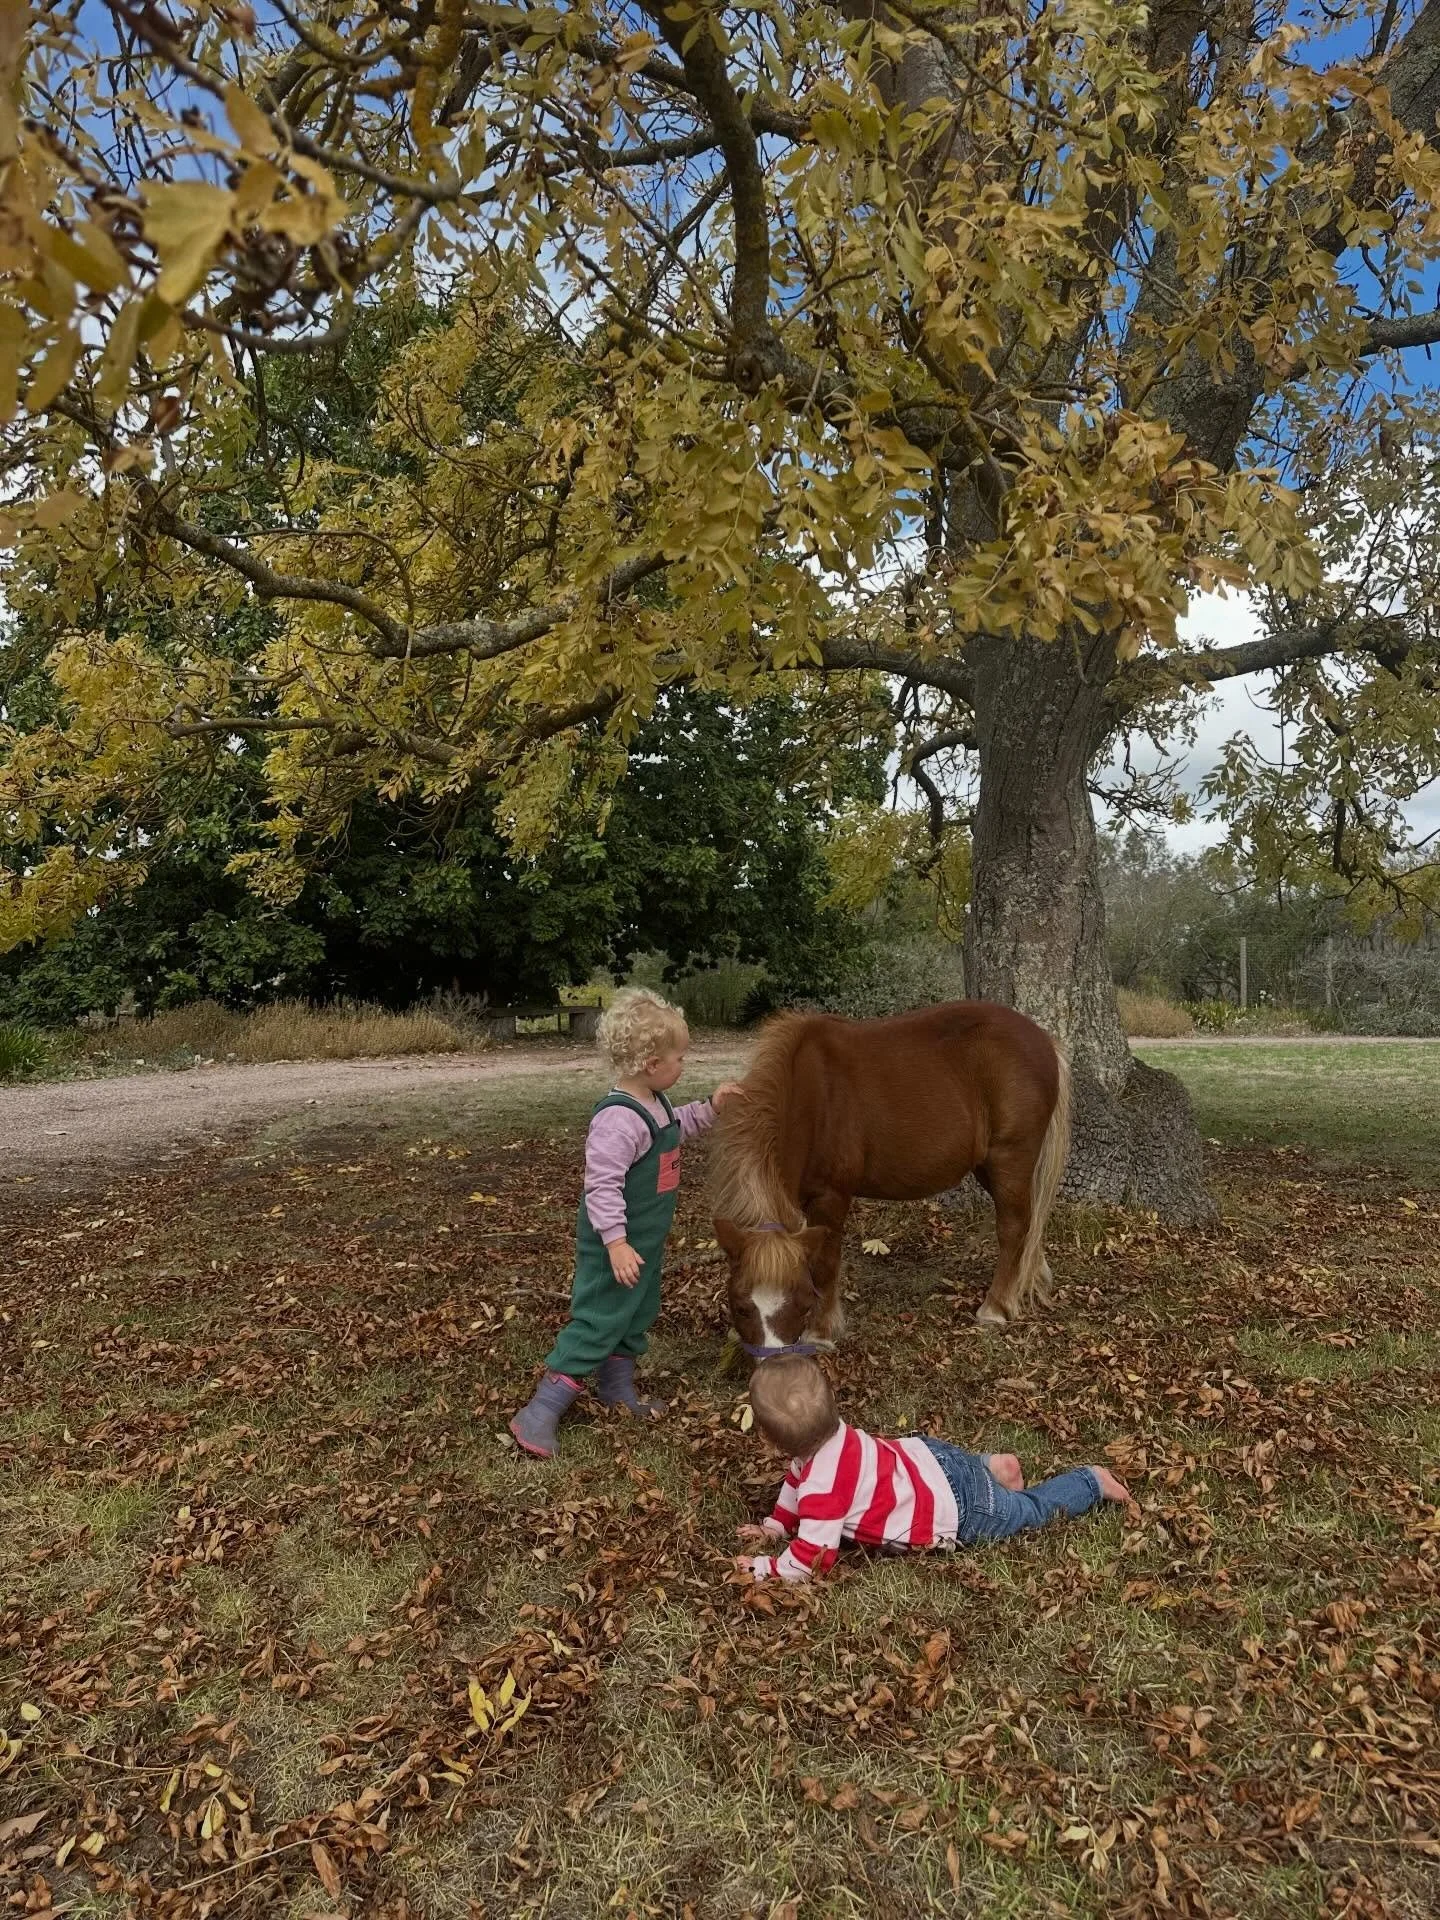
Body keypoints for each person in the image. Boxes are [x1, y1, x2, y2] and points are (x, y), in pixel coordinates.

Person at [510, 987, 745, 1458]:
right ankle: (539, 1411)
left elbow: (677, 1126)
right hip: (614, 1250)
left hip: (644, 1246)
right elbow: (601, 1186)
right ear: (652, 1064)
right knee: (599, 1320)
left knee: (636, 1315)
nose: (684, 1065)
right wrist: (615, 1243)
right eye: (680, 1058)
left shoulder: (656, 1103)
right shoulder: (618, 1120)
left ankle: (616, 1390)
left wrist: (713, 1106)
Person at [734, 1353, 1132, 1581]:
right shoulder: (833, 1435)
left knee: (1028, 1512)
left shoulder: (823, 1487)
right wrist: (776, 1527)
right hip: (929, 1458)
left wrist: (766, 1568)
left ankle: (1089, 1482)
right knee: (968, 1473)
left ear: (771, 1440)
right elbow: (795, 1482)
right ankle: (992, 1468)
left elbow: (813, 1558)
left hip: (956, 1509)